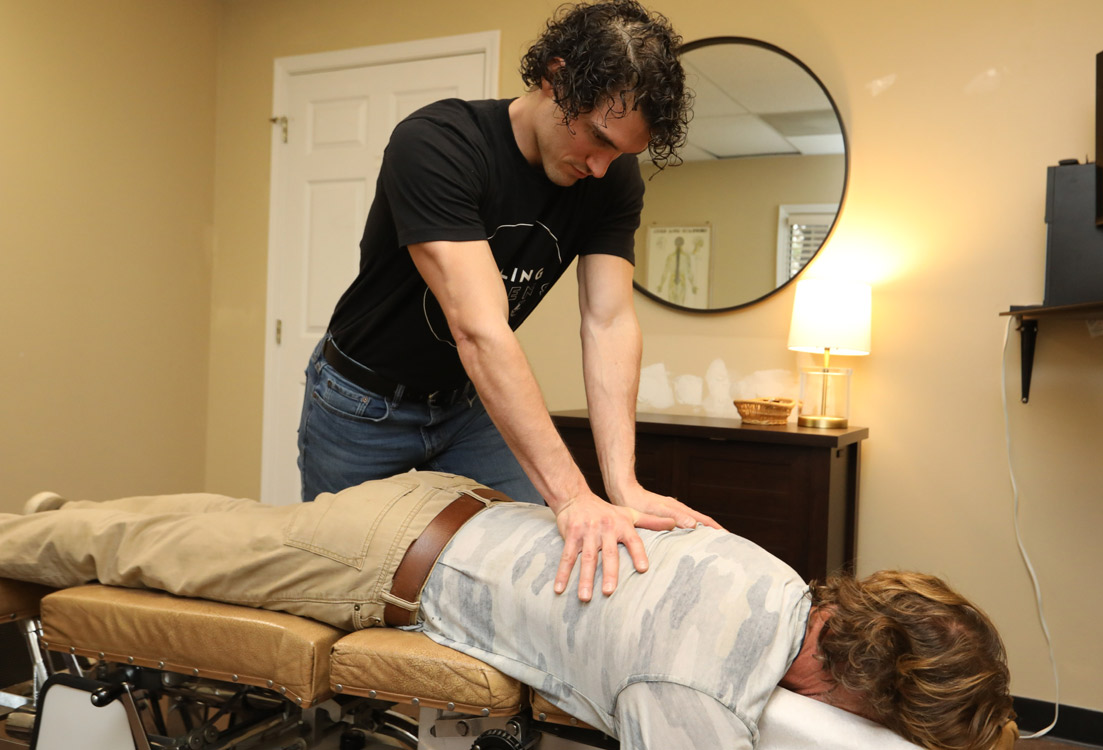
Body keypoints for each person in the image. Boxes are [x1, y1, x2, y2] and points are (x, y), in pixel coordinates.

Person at [3, 473, 1015, 750]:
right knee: (145, 548)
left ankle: (58, 520)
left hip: (446, 505)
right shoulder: (696, 694)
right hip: (380, 561)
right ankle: (28, 534)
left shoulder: (769, 571)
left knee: (180, 528)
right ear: (844, 685)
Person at [298, 0, 713, 602]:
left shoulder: (610, 179)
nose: (601, 167)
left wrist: (622, 484)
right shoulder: (438, 144)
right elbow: (480, 329)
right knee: (339, 589)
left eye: (620, 152)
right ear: (555, 77)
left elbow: (609, 319)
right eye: (597, 136)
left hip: (471, 405)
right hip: (361, 404)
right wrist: (573, 495)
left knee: (535, 566)